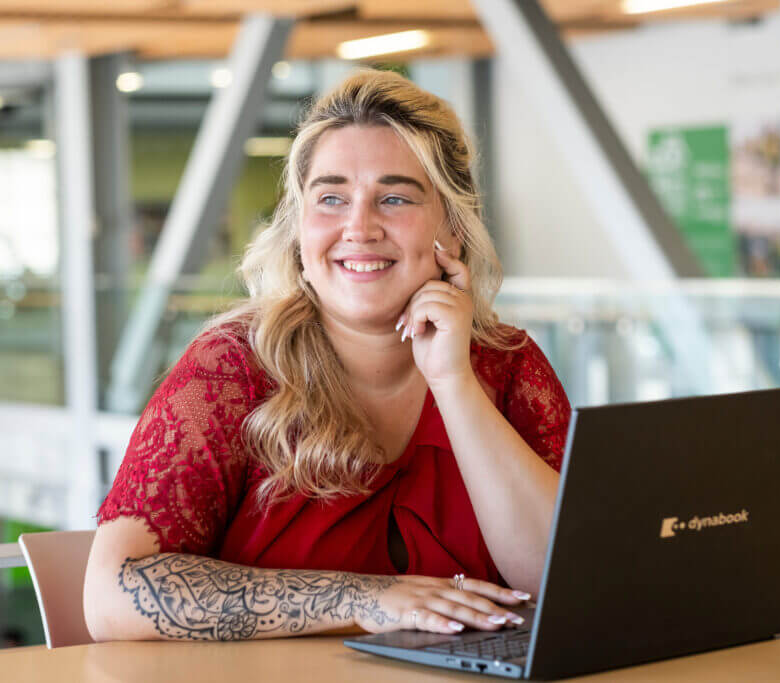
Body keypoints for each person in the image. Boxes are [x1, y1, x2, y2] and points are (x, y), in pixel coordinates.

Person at [83, 69, 571, 643]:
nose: (359, 228)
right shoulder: (231, 370)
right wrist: (368, 597)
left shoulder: (506, 365)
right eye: (332, 198)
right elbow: (114, 594)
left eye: (394, 198)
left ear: (453, 230)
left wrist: (453, 382)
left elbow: (561, 581)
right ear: (299, 229)